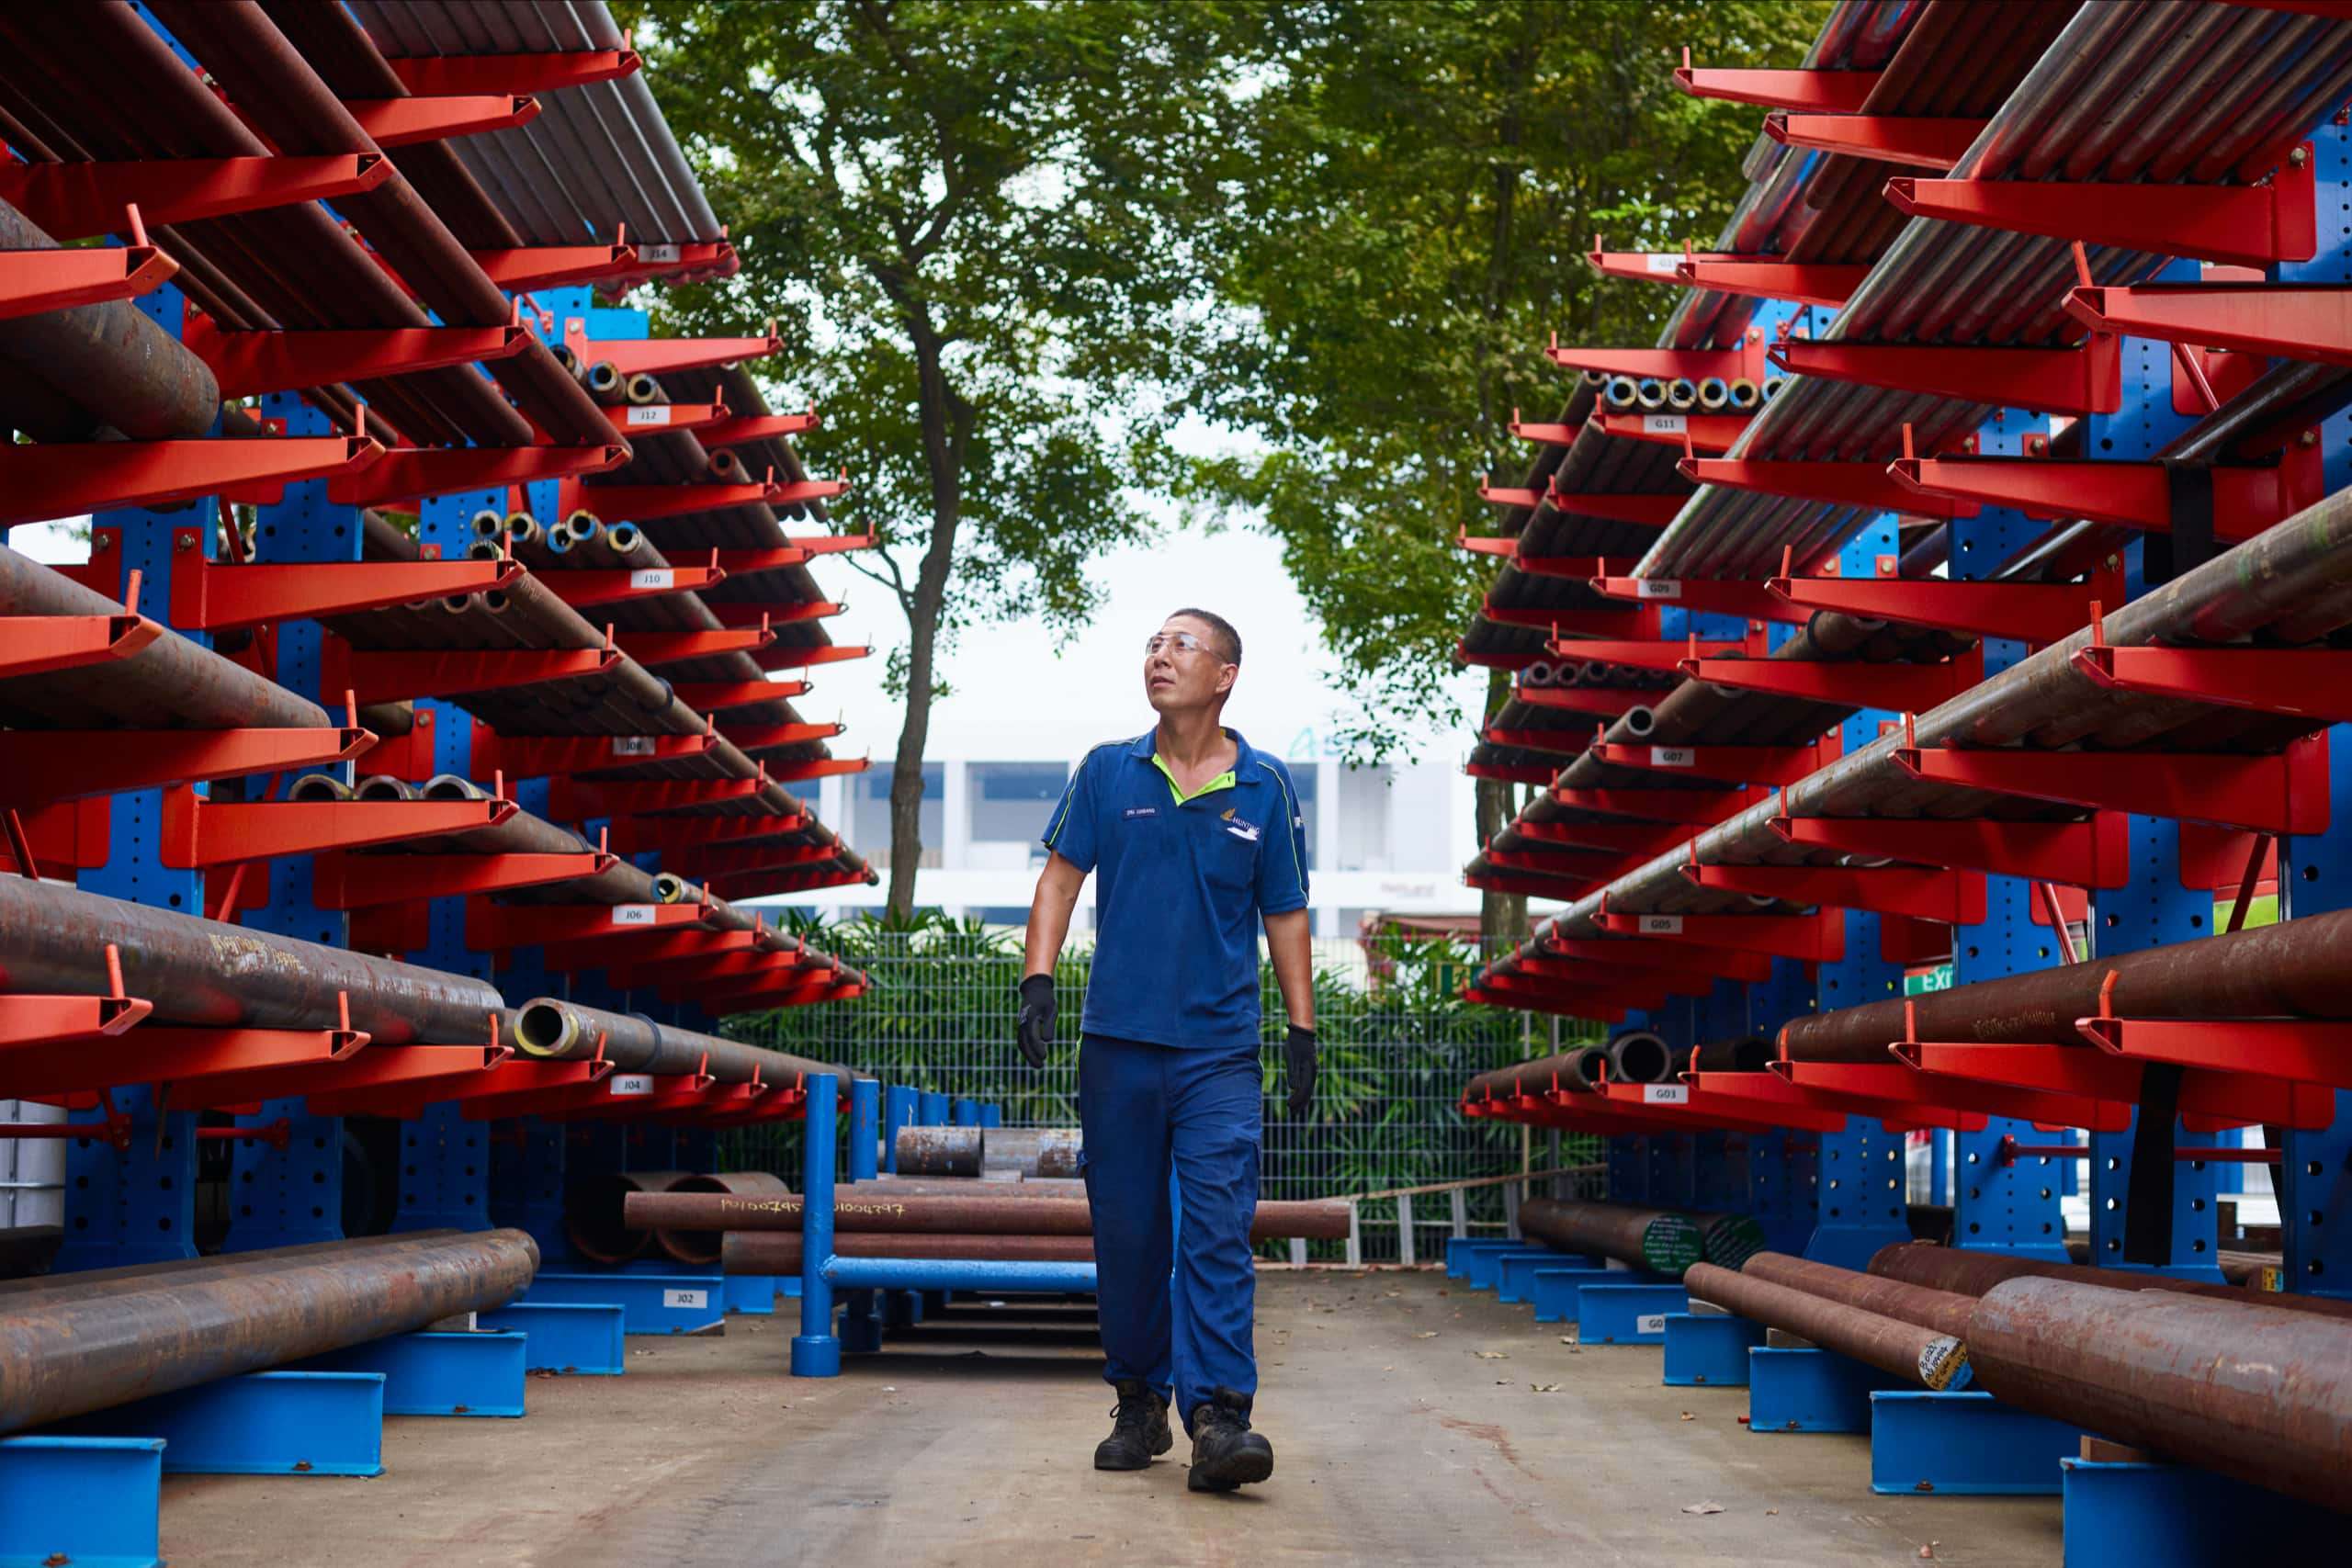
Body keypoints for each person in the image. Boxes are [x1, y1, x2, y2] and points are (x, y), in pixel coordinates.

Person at [1015, 608, 1317, 1494]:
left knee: (1218, 1226)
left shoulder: (1264, 787)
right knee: (1131, 1233)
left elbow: (1287, 913)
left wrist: (1301, 1030)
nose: (1159, 654)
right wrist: (1038, 979)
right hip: (1117, 1049)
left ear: (1225, 675)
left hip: (1219, 1054)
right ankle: (1139, 1402)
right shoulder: (1109, 772)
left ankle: (1220, 1414)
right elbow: (1061, 878)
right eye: (1153, 642)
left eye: (1180, 644)